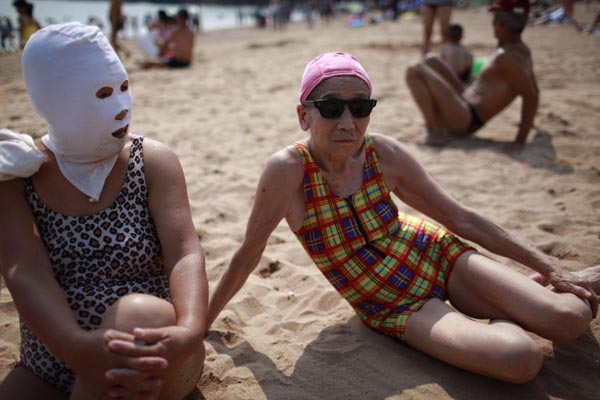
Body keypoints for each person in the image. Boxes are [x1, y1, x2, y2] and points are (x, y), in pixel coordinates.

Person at [206, 51, 600, 384]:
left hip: (435, 254)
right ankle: (513, 303)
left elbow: (460, 218)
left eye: (360, 107)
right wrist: (201, 324)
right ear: (303, 115)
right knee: (520, 360)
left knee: (569, 318)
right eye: (330, 108)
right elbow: (248, 254)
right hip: (394, 304)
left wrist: (552, 269)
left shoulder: (383, 153)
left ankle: (532, 293)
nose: (347, 121)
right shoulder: (289, 171)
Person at [0, 22, 207, 399]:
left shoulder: (152, 162)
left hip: (155, 352)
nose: (120, 107)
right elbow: (24, 270)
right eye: (102, 94)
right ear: (54, 99)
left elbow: (184, 251)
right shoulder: (18, 174)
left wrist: (191, 329)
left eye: (125, 88)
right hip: (53, 357)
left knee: (138, 314)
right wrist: (75, 347)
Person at [406, 0, 539, 151]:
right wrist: (530, 125)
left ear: (500, 24)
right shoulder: (523, 51)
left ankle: (435, 132)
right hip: (465, 100)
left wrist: (520, 140)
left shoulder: (506, 58)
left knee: (414, 70)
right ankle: (437, 126)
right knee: (431, 59)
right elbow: (535, 90)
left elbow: (531, 95)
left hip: (466, 118)